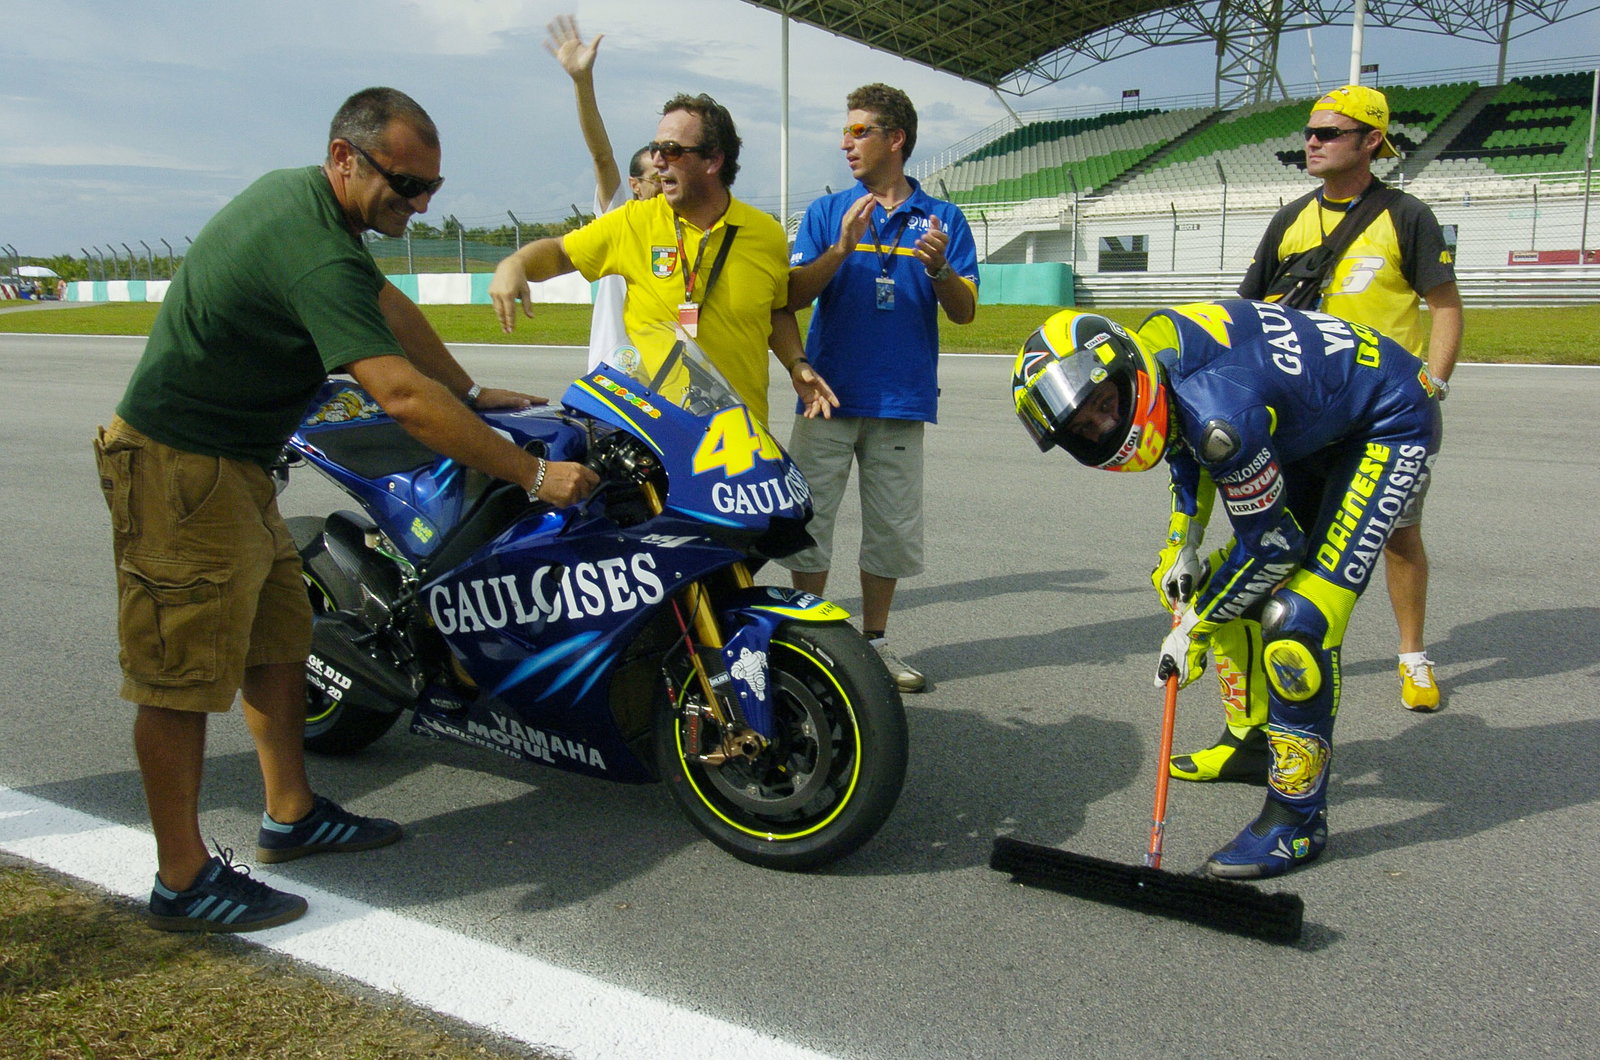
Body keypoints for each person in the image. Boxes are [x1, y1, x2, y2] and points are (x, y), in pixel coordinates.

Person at [93, 87, 598, 934]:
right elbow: (398, 396)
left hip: (237, 467)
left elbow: (390, 312)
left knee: (281, 641)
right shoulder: (311, 248)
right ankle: (180, 878)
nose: (421, 203)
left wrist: (470, 391)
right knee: (179, 679)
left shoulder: (319, 214)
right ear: (344, 158)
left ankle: (290, 813)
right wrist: (530, 472)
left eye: (432, 187)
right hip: (177, 466)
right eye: (406, 184)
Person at [1011, 300, 1441, 877]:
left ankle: (1298, 820)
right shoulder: (1159, 358)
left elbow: (1272, 547)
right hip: (1315, 419)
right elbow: (1181, 447)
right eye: (1085, 428)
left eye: (1106, 406)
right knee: (1216, 582)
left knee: (1297, 619)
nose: (1105, 427)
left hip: (1387, 418)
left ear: (1122, 371)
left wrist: (1194, 630)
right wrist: (1181, 543)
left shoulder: (1219, 412)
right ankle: (1254, 740)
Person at [1231, 84, 1461, 746]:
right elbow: (1245, 314)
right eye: (1310, 131)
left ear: (1371, 142)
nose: (1312, 141)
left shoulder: (1406, 216)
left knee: (1398, 536)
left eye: (1330, 133)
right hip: (1303, 418)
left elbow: (1444, 304)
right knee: (1296, 538)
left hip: (1385, 420)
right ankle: (1305, 648)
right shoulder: (1290, 219)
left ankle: (1412, 657)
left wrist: (1434, 385)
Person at [776, 84, 978, 693]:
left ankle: (875, 646)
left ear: (897, 139)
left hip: (900, 400)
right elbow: (792, 295)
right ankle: (809, 643)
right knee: (809, 523)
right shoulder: (826, 211)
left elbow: (966, 311)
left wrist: (939, 268)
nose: (847, 142)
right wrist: (840, 247)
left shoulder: (943, 220)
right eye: (846, 131)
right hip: (826, 398)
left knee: (890, 530)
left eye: (860, 131)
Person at [490, 92, 836, 428]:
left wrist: (796, 364)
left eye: (670, 151)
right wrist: (515, 264)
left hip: (741, 436)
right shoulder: (634, 221)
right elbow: (561, 252)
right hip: (655, 435)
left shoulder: (765, 234)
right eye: (656, 149)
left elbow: (775, 311)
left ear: (713, 160)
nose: (657, 161)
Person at [543, 14, 662, 371]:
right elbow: (601, 155)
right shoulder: (620, 216)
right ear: (635, 184)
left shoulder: (687, 228)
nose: (666, 183)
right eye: (657, 177)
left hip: (669, 385)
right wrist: (582, 81)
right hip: (614, 378)